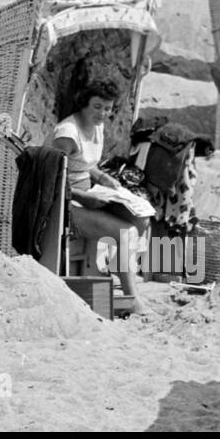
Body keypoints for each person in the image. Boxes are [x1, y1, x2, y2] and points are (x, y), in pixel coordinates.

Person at [49, 77, 151, 316]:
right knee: (127, 233)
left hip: (89, 193)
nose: (103, 113)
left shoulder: (97, 126)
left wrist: (105, 179)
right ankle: (132, 300)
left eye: (107, 108)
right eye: (97, 107)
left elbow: (84, 164)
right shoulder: (67, 133)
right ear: (84, 103)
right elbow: (51, 177)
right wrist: (83, 198)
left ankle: (117, 276)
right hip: (65, 201)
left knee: (141, 219)